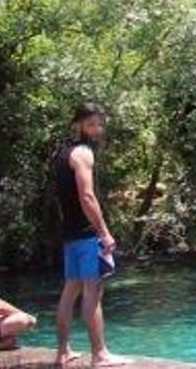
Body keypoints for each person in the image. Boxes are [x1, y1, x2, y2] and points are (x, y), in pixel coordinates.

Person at [51, 103, 128, 367]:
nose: (97, 129)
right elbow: (87, 196)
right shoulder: (83, 153)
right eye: (92, 124)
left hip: (69, 234)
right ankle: (100, 354)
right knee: (93, 291)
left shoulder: (61, 153)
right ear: (79, 124)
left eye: (99, 124)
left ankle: (62, 352)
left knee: (70, 291)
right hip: (85, 234)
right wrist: (104, 232)